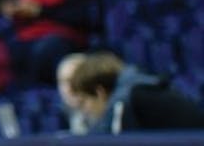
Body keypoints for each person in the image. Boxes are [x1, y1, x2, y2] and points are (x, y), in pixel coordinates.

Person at [69, 51, 204, 133]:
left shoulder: (125, 99)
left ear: (100, 92)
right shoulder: (140, 87)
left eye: (84, 101)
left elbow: (111, 140)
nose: (84, 110)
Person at [56, 52, 90, 134]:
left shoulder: (108, 119)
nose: (69, 88)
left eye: (74, 80)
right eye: (63, 81)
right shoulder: (61, 116)